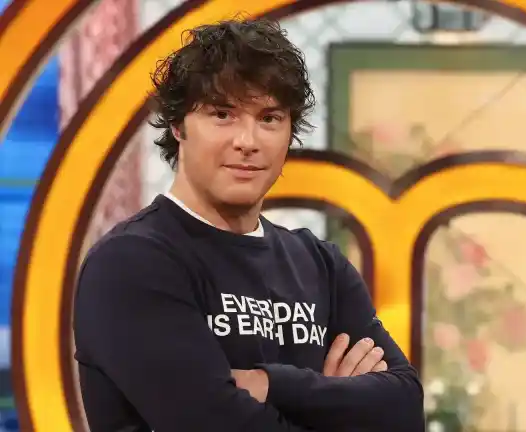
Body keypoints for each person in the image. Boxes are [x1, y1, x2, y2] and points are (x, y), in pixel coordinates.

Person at [72, 17, 425, 432]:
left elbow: (404, 408)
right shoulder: (131, 262)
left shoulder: (321, 265)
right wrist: (335, 403)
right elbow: (216, 423)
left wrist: (270, 384)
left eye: (269, 118)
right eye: (223, 114)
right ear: (178, 126)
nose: (248, 141)